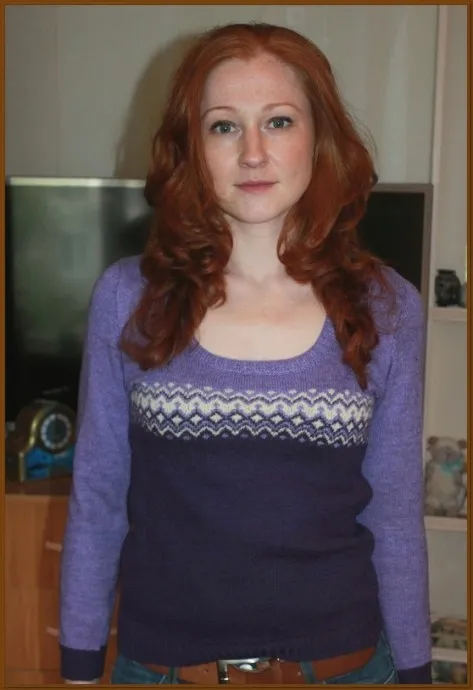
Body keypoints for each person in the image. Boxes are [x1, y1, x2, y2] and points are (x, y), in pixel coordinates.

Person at [59, 22, 432, 685]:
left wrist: (414, 671)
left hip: (347, 670)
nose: (253, 153)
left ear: (319, 138)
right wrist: (80, 669)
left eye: (279, 121)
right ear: (191, 146)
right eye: (224, 126)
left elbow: (395, 514)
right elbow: (98, 498)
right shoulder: (127, 298)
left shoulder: (387, 307)